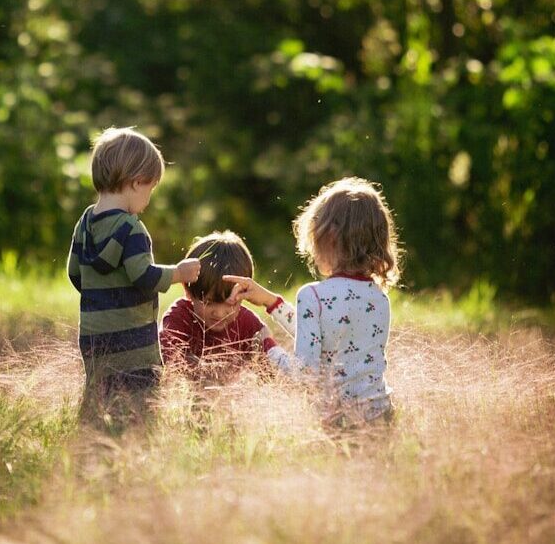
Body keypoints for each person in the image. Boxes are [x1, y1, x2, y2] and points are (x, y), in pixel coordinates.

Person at [224, 177, 401, 421]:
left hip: (340, 423)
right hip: (381, 416)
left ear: (329, 238)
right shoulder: (379, 298)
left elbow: (305, 375)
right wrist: (271, 302)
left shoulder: (313, 296)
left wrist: (267, 348)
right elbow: (329, 335)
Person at [67, 127, 200, 400]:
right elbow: (143, 276)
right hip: (133, 343)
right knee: (140, 404)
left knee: (100, 399)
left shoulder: (84, 223)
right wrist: (178, 273)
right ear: (137, 182)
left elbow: (74, 273)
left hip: (95, 336)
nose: (148, 199)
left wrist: (102, 299)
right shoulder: (131, 228)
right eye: (150, 189)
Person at [160, 231, 278, 372]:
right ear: (189, 292)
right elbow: (170, 367)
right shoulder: (179, 319)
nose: (220, 313)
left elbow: (272, 369)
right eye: (208, 302)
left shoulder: (248, 325)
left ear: (244, 295)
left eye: (231, 303)